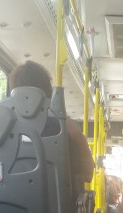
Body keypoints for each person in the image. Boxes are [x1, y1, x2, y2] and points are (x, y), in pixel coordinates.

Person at [8, 61, 95, 193]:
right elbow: (88, 175)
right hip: (58, 212)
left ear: (13, 91)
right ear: (48, 93)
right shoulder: (69, 132)